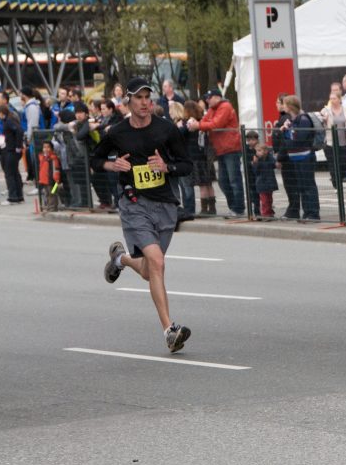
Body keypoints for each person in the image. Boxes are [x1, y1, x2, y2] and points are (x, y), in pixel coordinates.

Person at [90, 77, 194, 353]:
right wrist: (113, 165)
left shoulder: (166, 130)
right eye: (139, 98)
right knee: (158, 262)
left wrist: (167, 167)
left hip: (165, 205)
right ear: (129, 101)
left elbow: (186, 164)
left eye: (148, 97)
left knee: (151, 270)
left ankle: (120, 258)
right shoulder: (117, 133)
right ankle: (169, 330)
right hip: (134, 204)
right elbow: (94, 160)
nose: (145, 102)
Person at [188, 89, 243, 218]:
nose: (207, 100)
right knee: (223, 181)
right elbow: (205, 120)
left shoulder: (225, 107)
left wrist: (198, 125)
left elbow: (216, 123)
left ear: (217, 97)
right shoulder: (213, 109)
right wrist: (198, 123)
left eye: (209, 97)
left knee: (234, 180)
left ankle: (238, 208)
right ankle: (233, 207)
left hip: (231, 149)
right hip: (221, 149)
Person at [277, 94, 322, 221]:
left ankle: (313, 213)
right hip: (295, 157)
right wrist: (287, 129)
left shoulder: (303, 119)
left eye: (285, 104)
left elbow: (298, 137)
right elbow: (289, 138)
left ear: (290, 106)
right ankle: (306, 213)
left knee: (308, 186)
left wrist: (287, 130)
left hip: (305, 156)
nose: (282, 106)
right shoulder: (291, 120)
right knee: (302, 186)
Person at [178, 100, 216, 216]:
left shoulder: (189, 123)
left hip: (194, 157)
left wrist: (181, 126)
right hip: (205, 156)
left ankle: (205, 210)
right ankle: (212, 208)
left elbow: (180, 134)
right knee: (208, 183)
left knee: (202, 185)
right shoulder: (201, 121)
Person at [0, 104, 25, 204]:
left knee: (9, 174)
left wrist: (18, 146)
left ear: (1, 113)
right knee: (15, 173)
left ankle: (12, 197)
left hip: (9, 150)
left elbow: (19, 131)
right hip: (10, 150)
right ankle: (19, 196)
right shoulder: (8, 121)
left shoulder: (8, 122)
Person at [251, 139, 278, 219]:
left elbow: (273, 165)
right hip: (261, 183)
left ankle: (270, 212)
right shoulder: (257, 160)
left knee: (269, 199)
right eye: (257, 151)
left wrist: (276, 163)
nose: (257, 153)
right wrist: (255, 163)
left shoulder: (270, 157)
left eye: (259, 151)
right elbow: (255, 171)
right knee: (264, 200)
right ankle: (265, 214)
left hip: (270, 181)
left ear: (265, 151)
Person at [38, 139, 62, 211]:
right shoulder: (43, 158)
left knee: (52, 193)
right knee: (47, 194)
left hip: (53, 181)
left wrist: (57, 180)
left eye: (48, 147)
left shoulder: (53, 158)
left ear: (51, 148)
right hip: (45, 180)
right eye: (44, 147)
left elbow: (56, 169)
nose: (46, 149)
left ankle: (53, 207)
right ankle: (49, 206)